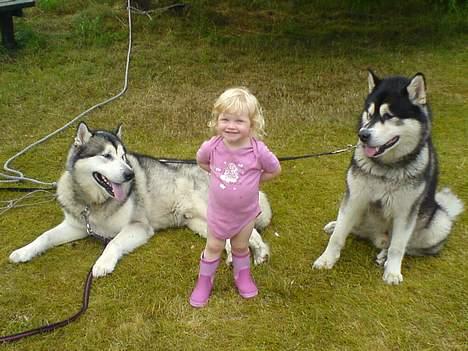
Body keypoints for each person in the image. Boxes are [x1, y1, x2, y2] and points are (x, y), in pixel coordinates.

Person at [190, 87, 281, 308]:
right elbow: (201, 161)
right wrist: (215, 173)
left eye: (239, 121)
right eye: (225, 119)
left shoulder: (258, 151)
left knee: (240, 247)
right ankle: (204, 281)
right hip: (218, 213)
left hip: (245, 214)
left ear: (252, 124)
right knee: (213, 247)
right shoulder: (212, 147)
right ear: (217, 120)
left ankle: (243, 276)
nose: (231, 126)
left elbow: (275, 169)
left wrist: (254, 181)